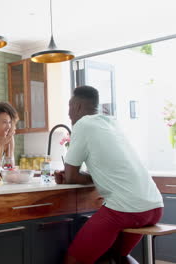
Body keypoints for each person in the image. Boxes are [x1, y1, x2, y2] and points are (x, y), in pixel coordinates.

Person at [55, 86, 163, 264]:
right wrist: (91, 176)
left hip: (126, 209)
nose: (68, 113)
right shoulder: (112, 122)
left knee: (74, 260)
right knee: (115, 256)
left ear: (76, 106)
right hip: (155, 207)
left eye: (69, 107)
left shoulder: (83, 125)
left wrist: (75, 176)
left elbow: (72, 177)